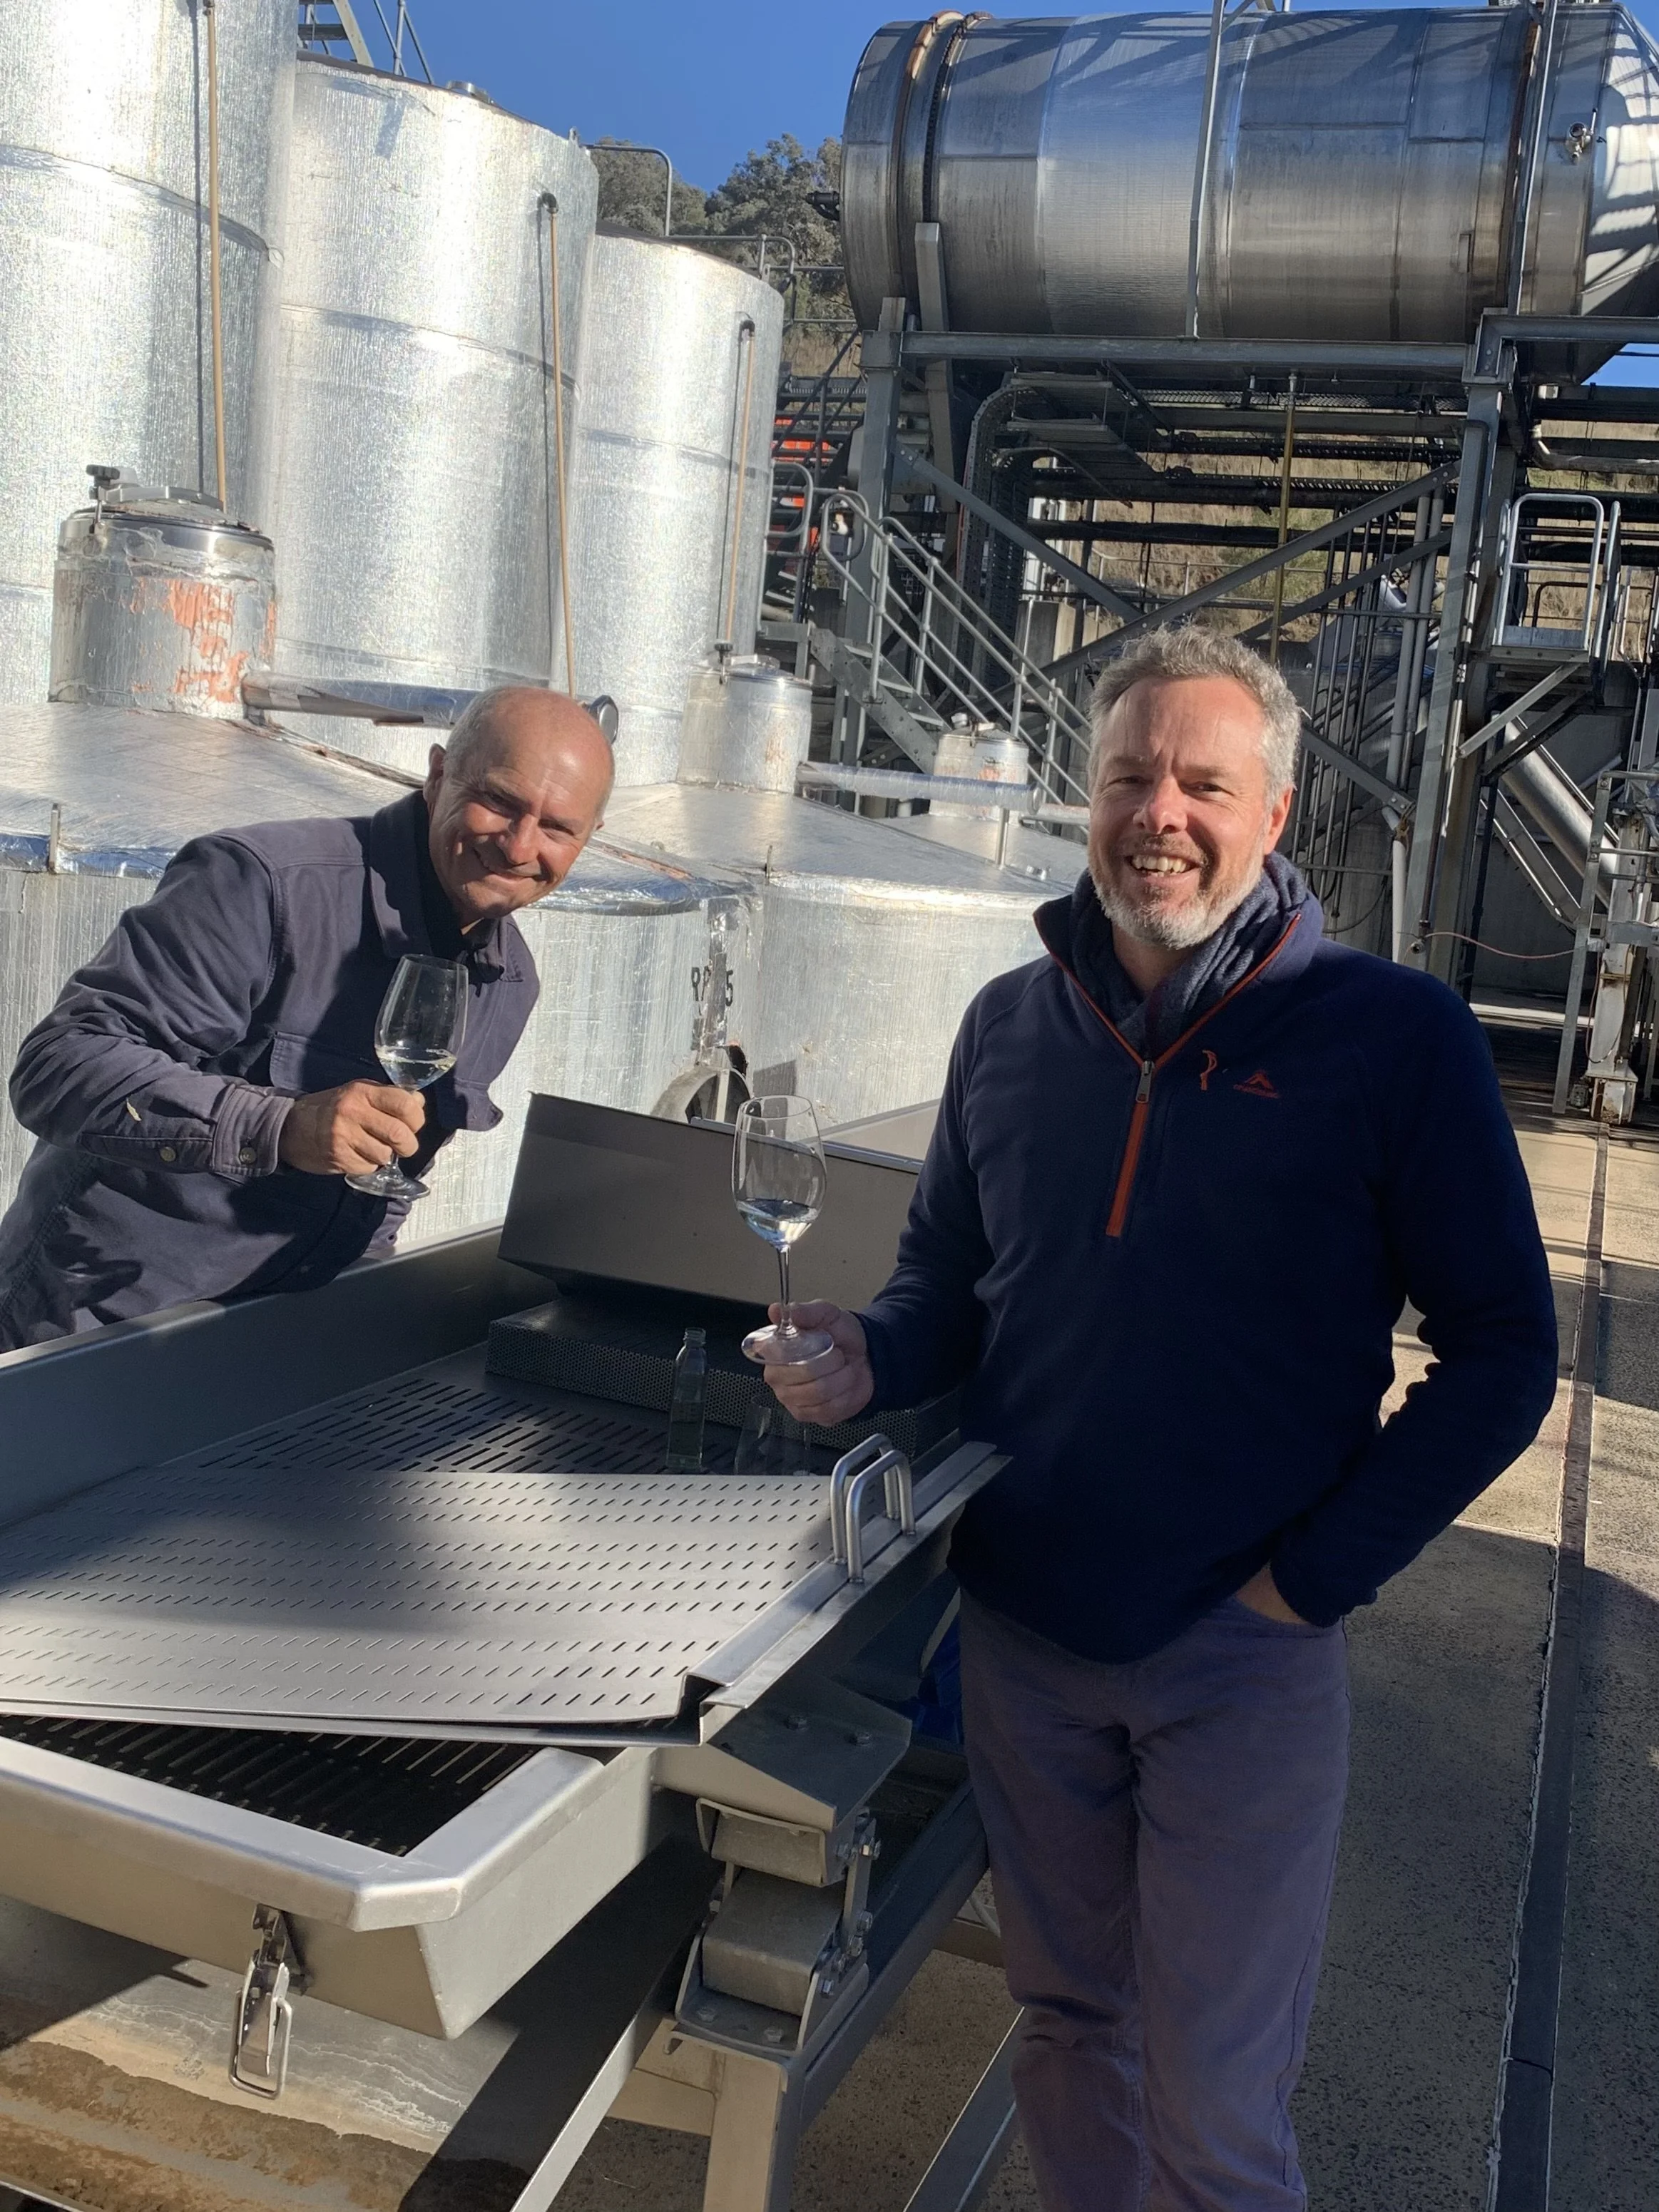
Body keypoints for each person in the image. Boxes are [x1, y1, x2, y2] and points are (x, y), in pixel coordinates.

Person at [765, 625, 1558, 2212]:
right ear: (1085, 796)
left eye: (1204, 782)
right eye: (1130, 775)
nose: (1160, 812)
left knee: (1214, 2104)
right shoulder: (1007, 1027)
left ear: (1272, 816)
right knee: (1067, 2026)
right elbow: (947, 1283)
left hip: (1239, 1656)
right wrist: (867, 1354)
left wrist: (1309, 1582)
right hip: (1023, 1639)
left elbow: (1501, 1352)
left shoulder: (1388, 1043)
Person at [0, 686, 613, 1350]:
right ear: (438, 775)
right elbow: (58, 1064)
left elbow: (391, 1180)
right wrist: (281, 1126)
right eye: (500, 801)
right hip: (92, 1335)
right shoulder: (262, 884)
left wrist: (353, 1329)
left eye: (557, 827)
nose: (521, 846)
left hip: (274, 1354)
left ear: (589, 839)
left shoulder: (508, 978)